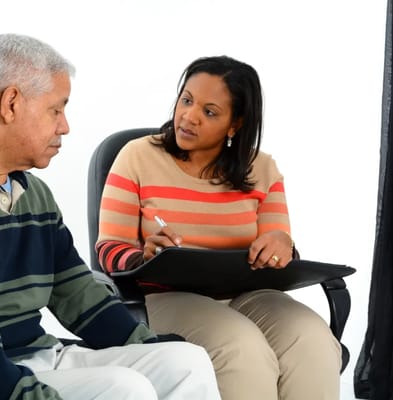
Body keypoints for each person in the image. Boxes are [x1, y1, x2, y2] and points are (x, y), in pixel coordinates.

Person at [0, 34, 222, 400]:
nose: (65, 126)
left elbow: (79, 296)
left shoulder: (33, 194)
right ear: (11, 103)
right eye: (56, 109)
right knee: (123, 389)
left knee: (185, 362)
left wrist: (148, 347)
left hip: (34, 358)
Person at [96, 55, 342, 399]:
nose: (188, 116)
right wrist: (144, 257)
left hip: (251, 293)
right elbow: (109, 249)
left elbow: (279, 247)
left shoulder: (262, 168)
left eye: (209, 112)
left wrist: (281, 245)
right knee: (241, 349)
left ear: (235, 124)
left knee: (313, 339)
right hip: (170, 296)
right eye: (186, 100)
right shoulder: (136, 157)